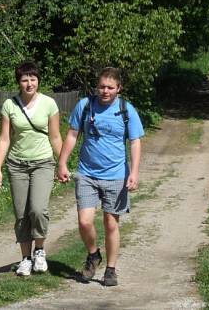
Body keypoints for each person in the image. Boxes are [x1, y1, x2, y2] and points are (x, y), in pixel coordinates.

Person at [57, 67, 144, 286]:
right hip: (87, 173)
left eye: (110, 87)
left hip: (116, 175)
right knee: (84, 222)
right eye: (102, 86)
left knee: (111, 224)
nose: (105, 91)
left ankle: (111, 270)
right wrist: (62, 162)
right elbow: (72, 134)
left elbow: (135, 142)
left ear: (118, 88)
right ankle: (94, 254)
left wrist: (134, 172)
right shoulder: (85, 106)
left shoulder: (127, 110)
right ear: (97, 86)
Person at [0, 60, 63, 276]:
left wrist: (62, 163)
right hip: (17, 165)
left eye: (33, 79)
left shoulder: (49, 104)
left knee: (38, 209)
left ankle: (39, 251)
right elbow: (5, 139)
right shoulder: (9, 105)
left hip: (43, 162)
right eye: (25, 80)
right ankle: (25, 258)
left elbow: (55, 136)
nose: (29, 83)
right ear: (19, 82)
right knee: (22, 214)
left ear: (38, 80)